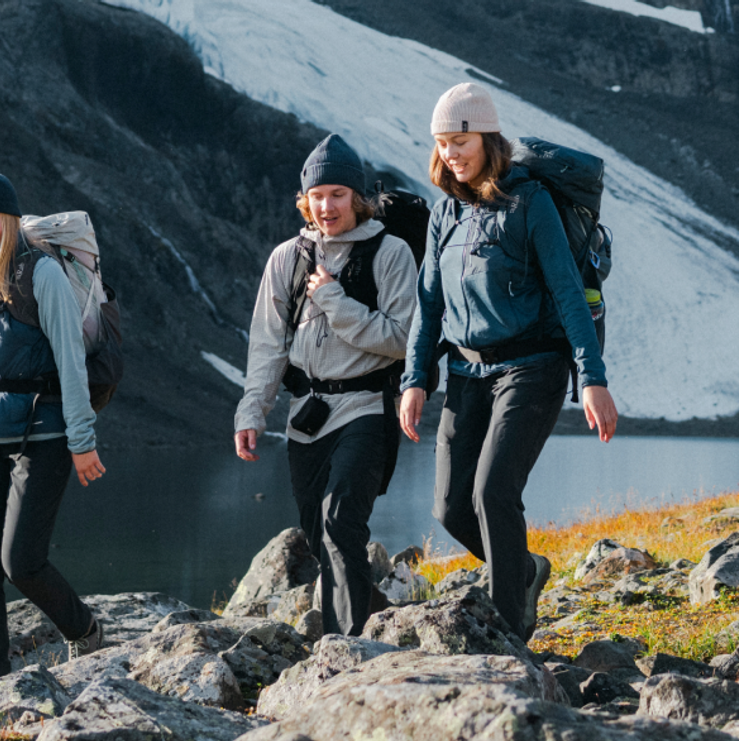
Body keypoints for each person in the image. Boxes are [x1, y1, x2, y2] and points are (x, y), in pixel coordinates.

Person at [398, 83, 619, 642]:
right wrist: (415, 379)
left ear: (488, 137)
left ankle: (506, 634)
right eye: (443, 142)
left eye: (462, 139)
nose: (452, 152)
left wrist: (592, 379)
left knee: (493, 491)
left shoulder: (530, 202)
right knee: (451, 508)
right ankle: (522, 570)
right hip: (467, 372)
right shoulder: (445, 211)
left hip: (532, 367)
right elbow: (429, 303)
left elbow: (569, 292)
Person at [234, 134, 418, 637]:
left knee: (341, 524)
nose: (326, 206)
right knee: (319, 537)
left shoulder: (391, 252)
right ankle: (380, 615)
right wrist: (252, 412)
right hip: (305, 417)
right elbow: (267, 344)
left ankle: (342, 650)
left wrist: (336, 303)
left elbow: (403, 339)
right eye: (317, 195)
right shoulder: (286, 259)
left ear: (357, 198)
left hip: (365, 408)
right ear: (305, 200)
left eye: (337, 194)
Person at [0, 171, 107, 683]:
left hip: (43, 432)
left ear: (11, 221)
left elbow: (70, 360)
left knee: (21, 561)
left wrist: (82, 440)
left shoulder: (42, 275)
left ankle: (84, 631)